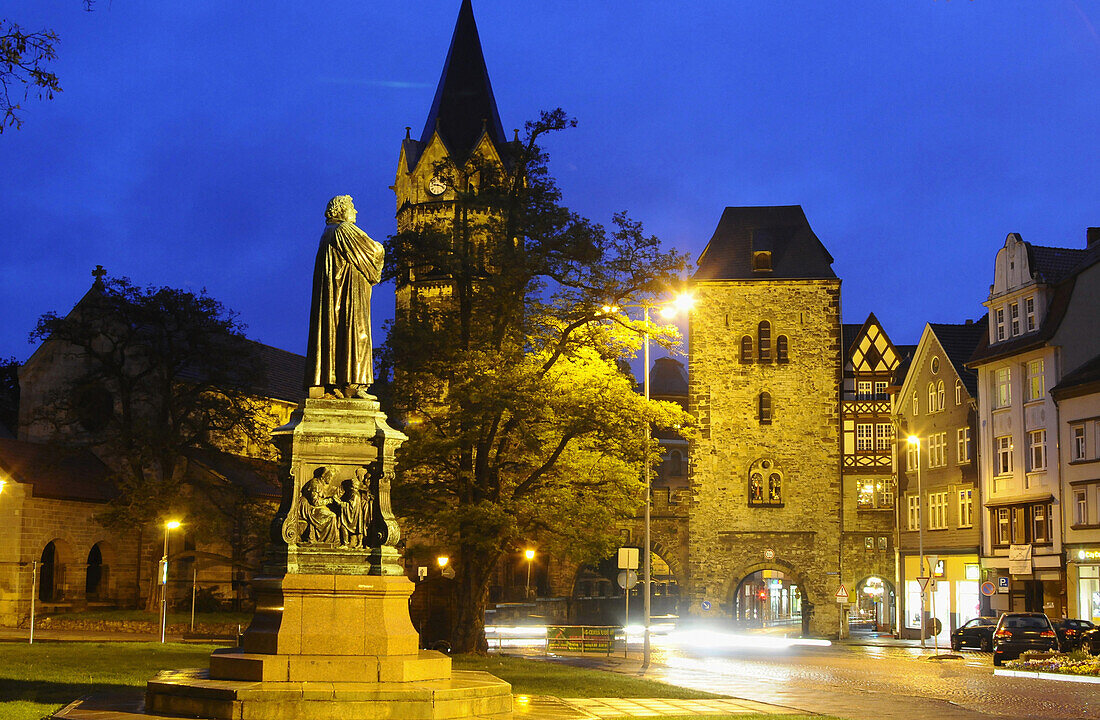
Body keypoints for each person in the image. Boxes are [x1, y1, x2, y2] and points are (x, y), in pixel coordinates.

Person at [305, 195, 385, 399]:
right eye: (352, 207)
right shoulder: (343, 230)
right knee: (356, 332)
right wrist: (381, 248)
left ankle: (335, 381)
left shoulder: (327, 233)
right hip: (350, 295)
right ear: (341, 210)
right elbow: (373, 251)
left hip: (338, 294)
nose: (355, 212)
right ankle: (353, 384)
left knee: (338, 335)